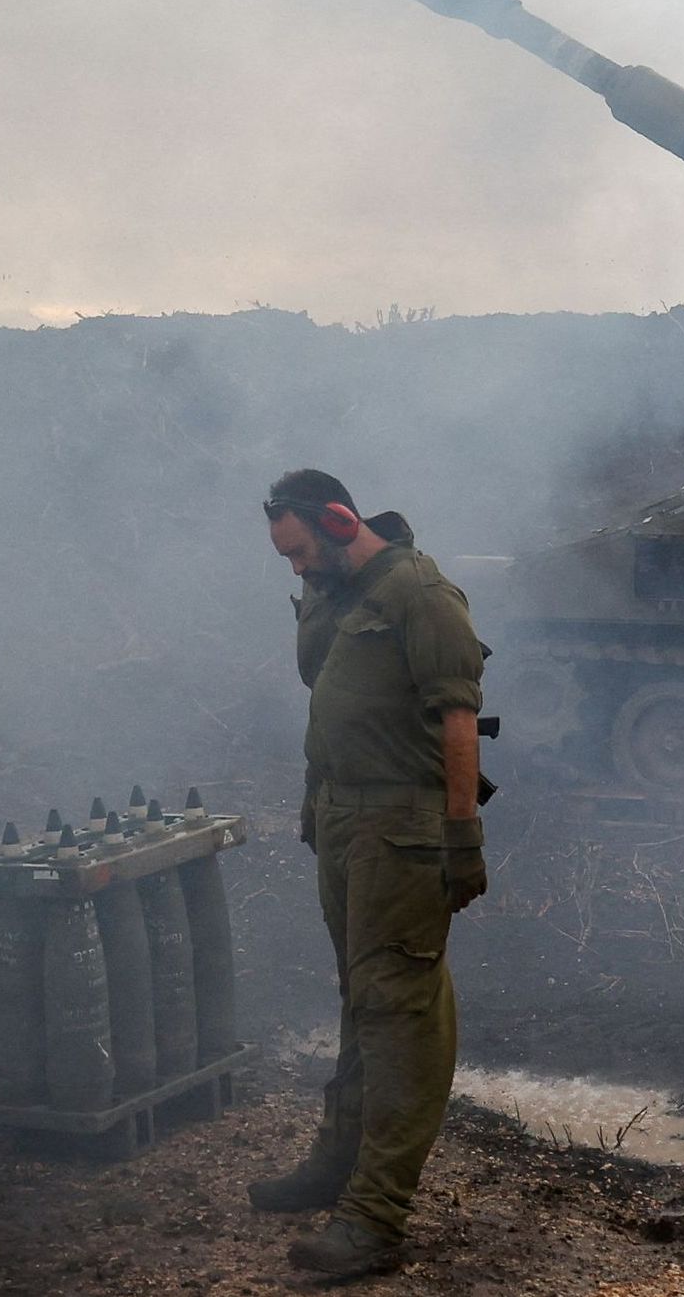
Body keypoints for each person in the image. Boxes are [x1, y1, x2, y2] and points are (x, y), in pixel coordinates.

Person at [250, 468, 488, 1281]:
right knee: (361, 996)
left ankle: (377, 1214)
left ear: (342, 520)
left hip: (403, 831)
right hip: (346, 822)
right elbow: (326, 689)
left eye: (301, 550)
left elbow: (459, 721)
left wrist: (462, 837)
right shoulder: (336, 590)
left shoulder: (422, 596)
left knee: (399, 1013)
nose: (295, 568)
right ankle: (338, 1160)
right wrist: (320, 805)